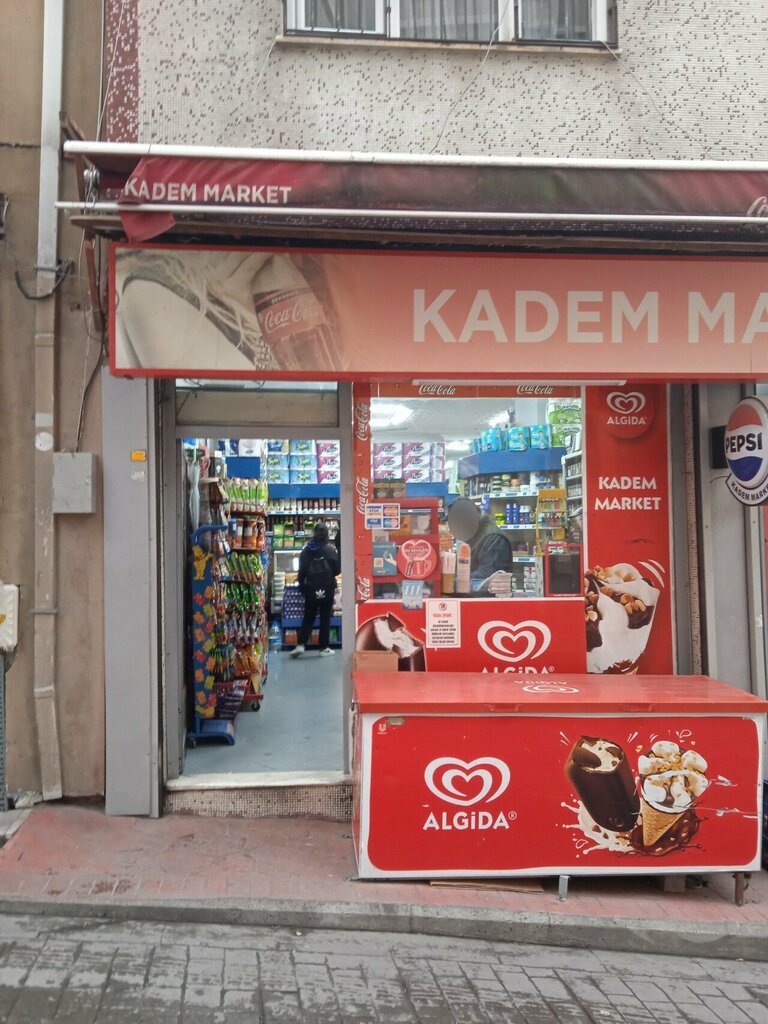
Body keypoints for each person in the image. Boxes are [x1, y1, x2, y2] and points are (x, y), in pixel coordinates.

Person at [292, 523, 341, 657]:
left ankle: (301, 644)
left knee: (308, 617)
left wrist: (303, 588)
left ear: (314, 533)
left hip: (310, 590)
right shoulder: (330, 550)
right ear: (326, 535)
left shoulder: (306, 551)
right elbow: (337, 570)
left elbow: (301, 573)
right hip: (327, 589)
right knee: (325, 618)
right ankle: (323, 648)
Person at [446, 497, 513, 594]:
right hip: (474, 598)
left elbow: (486, 576)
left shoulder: (494, 539)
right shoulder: (473, 534)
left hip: (489, 603)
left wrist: (452, 581)